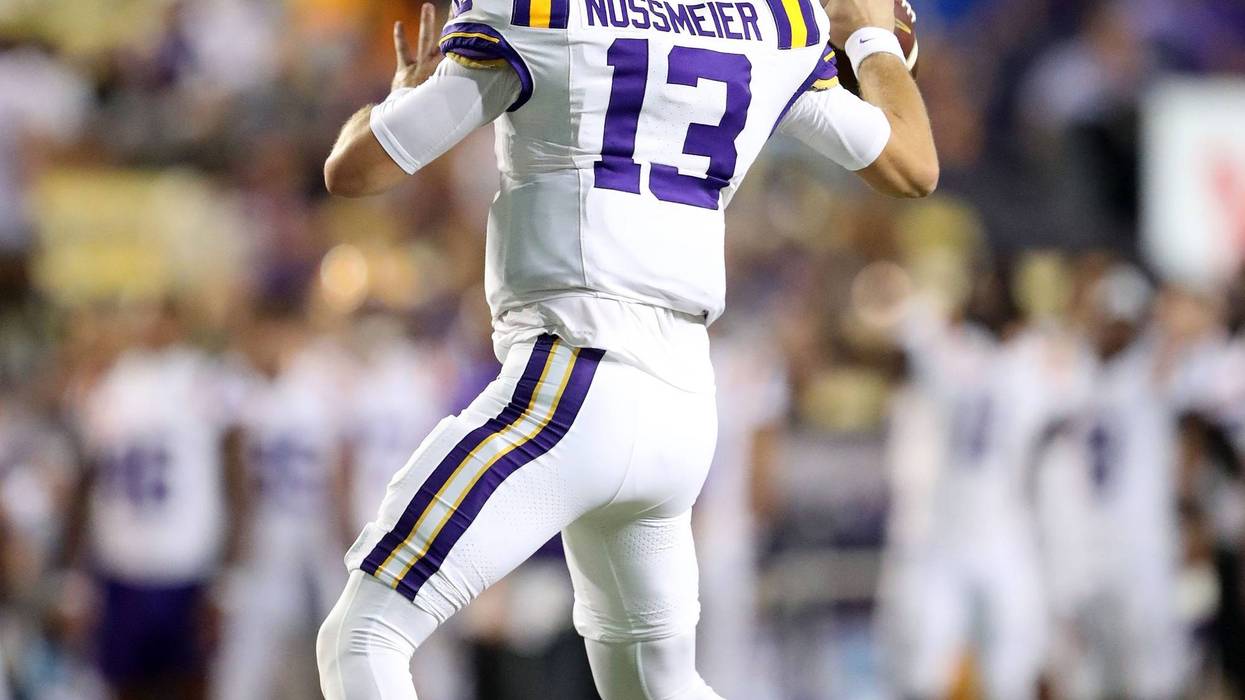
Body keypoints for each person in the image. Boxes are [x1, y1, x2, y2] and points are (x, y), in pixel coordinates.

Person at [315, 0, 938, 694]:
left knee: (361, 637)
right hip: (681, 404)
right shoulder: (775, 24)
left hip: (571, 384)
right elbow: (913, 165)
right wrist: (872, 41)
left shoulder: (539, 12)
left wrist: (404, 97)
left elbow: (354, 170)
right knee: (655, 686)